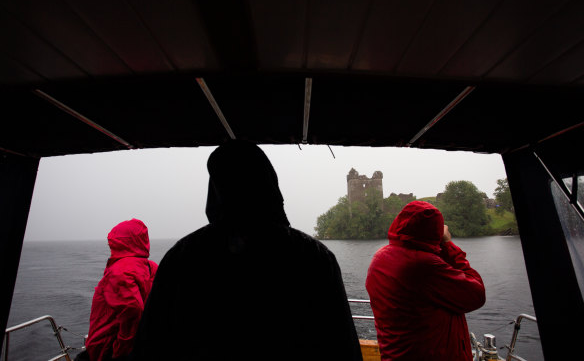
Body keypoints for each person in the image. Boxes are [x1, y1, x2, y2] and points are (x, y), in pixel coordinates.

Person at [131, 140, 363, 361]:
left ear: (216, 189)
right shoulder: (314, 257)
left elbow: (151, 343)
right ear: (270, 184)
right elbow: (342, 344)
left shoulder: (182, 257)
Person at [365, 201, 485, 361]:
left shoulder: (380, 257)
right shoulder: (424, 265)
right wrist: (448, 245)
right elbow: (476, 295)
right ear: (435, 231)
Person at [81, 219, 158, 361]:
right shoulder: (150, 267)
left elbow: (132, 310)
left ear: (121, 242)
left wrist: (120, 351)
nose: (109, 245)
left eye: (112, 241)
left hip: (108, 347)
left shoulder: (119, 271)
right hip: (141, 343)